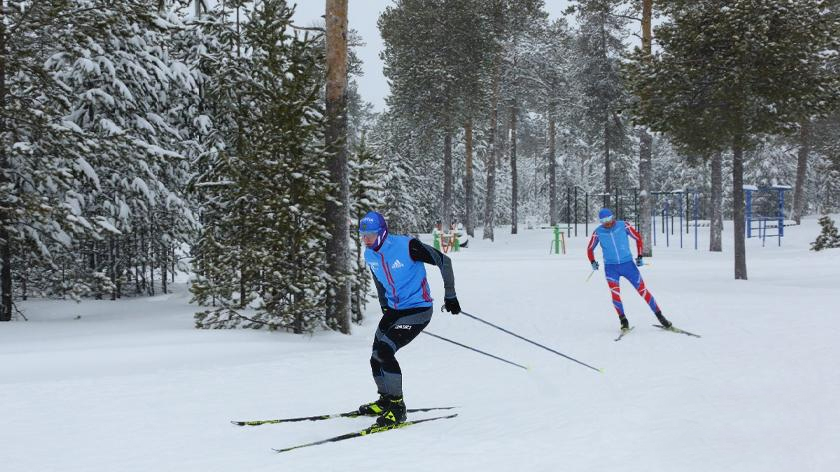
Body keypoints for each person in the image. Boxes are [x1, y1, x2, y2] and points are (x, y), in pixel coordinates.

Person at [357, 211, 461, 426]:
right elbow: (378, 278)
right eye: (363, 235)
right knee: (376, 355)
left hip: (418, 309)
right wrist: (385, 304)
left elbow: (445, 261)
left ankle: (397, 407)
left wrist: (450, 295)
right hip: (394, 310)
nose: (366, 239)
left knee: (385, 352)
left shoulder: (407, 246)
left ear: (383, 233)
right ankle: (386, 400)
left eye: (371, 234)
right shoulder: (369, 254)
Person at [586, 208, 672, 332]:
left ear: (613, 217)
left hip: (628, 265)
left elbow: (638, 238)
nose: (607, 222)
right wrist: (592, 261)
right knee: (615, 294)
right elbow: (589, 249)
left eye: (609, 219)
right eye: (604, 221)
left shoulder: (623, 226)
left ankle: (661, 317)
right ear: (601, 222)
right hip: (611, 268)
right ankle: (623, 321)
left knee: (643, 291)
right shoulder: (598, 232)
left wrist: (640, 256)